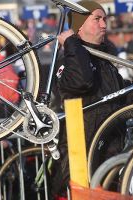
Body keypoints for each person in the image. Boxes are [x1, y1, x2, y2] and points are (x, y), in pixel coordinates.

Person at [51, 1, 125, 198]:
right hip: (79, 163)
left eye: (105, 20)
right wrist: (71, 43)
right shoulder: (69, 58)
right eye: (97, 19)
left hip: (107, 156)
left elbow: (120, 99)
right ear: (79, 25)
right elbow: (80, 81)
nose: (104, 25)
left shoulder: (104, 58)